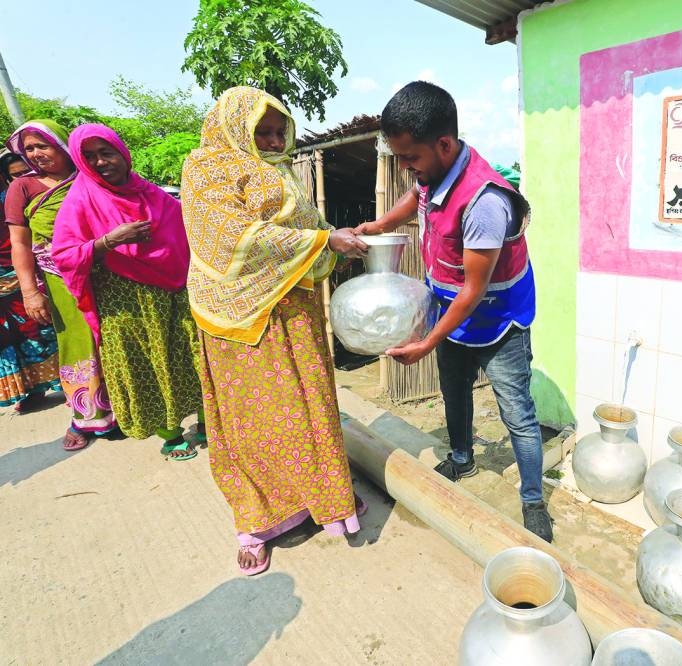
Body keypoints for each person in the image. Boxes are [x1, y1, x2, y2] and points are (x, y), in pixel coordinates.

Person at [181, 86, 369, 574]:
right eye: (259, 131)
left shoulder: (282, 171)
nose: (268, 140)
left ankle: (327, 498)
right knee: (252, 419)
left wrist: (336, 239)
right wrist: (325, 238)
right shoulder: (205, 167)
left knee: (310, 406)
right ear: (232, 128)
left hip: (295, 309)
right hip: (239, 317)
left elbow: (304, 230)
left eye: (276, 131)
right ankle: (256, 523)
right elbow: (227, 239)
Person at [355, 81, 553, 542]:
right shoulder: (434, 169)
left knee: (518, 415)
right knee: (455, 393)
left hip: (497, 318)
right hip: (454, 315)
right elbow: (417, 195)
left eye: (411, 158)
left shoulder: (484, 203)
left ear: (444, 144)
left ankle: (533, 499)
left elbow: (473, 289)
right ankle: (462, 459)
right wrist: (383, 223)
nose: (407, 168)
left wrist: (426, 341)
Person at [51, 124, 204, 460]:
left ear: (123, 152)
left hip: (173, 292)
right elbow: (62, 254)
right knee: (146, 365)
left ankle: (208, 421)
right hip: (124, 300)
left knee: (188, 355)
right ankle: (171, 434)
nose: (101, 162)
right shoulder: (81, 198)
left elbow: (188, 230)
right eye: (89, 157)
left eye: (107, 152)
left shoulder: (151, 193)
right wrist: (110, 240)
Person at [4, 121, 117, 449]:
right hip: (59, 279)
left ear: (61, 144)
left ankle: (123, 408)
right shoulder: (22, 188)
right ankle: (84, 417)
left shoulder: (88, 176)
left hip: (105, 271)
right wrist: (30, 291)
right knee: (76, 342)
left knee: (113, 338)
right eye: (29, 149)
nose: (35, 154)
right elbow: (20, 245)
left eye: (43, 145)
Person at [1, 152, 61, 412]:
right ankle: (31, 391)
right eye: (15, 174)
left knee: (42, 331)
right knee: (12, 340)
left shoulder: (26, 198)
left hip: (32, 272)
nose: (22, 178)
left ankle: (69, 384)